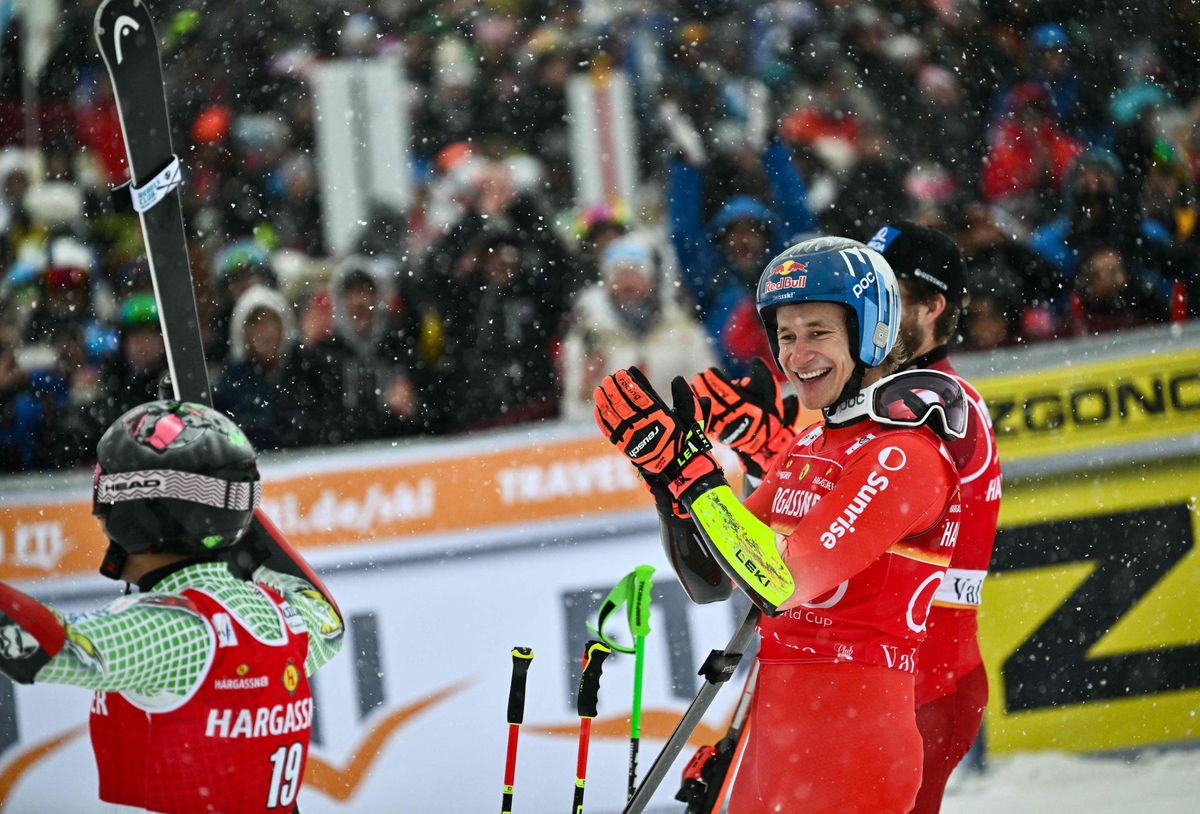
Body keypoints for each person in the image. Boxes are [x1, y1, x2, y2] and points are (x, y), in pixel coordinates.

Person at [595, 237, 965, 813]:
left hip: (855, 749)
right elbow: (712, 579)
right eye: (786, 336)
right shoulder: (814, 442)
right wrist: (668, 482)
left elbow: (781, 579)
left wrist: (696, 479)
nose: (797, 355)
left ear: (870, 332)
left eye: (818, 332)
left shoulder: (903, 456)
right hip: (778, 744)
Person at [0, 400, 343, 813]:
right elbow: (330, 622)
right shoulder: (283, 615)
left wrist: (226, 507)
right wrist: (231, 511)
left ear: (135, 513)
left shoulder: (171, 627)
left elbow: (45, 649)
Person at [866, 222, 1002, 814]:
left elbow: (839, 537)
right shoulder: (891, 394)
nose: (864, 310)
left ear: (932, 306)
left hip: (922, 683)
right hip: (903, 679)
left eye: (885, 295)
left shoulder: (935, 403)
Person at [559, 232, 716, 421]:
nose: (627, 280)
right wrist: (585, 387)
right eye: (618, 272)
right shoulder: (588, 338)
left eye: (635, 270)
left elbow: (710, 392)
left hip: (680, 435)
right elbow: (573, 417)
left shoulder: (684, 331)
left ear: (651, 277)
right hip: (615, 442)